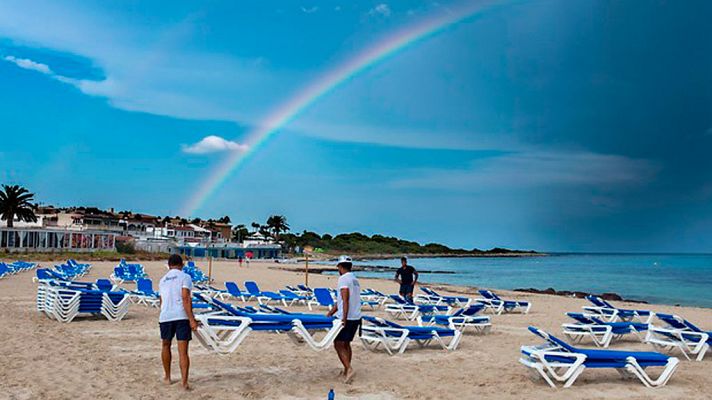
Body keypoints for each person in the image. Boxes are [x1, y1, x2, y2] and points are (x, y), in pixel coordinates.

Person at [158, 254, 199, 390]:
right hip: (181, 316)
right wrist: (192, 319)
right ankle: (184, 382)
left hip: (165, 316)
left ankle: (167, 377)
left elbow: (161, 301)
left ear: (169, 265)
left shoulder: (162, 280)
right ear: (181, 265)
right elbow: (185, 298)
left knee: (165, 345)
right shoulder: (185, 277)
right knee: (183, 351)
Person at [326, 255, 361, 383]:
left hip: (347, 317)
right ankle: (347, 370)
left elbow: (345, 299)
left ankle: (349, 368)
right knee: (346, 343)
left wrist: (343, 318)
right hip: (356, 316)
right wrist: (330, 313)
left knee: (338, 344)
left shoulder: (343, 279)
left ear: (340, 267)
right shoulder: (355, 279)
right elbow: (341, 301)